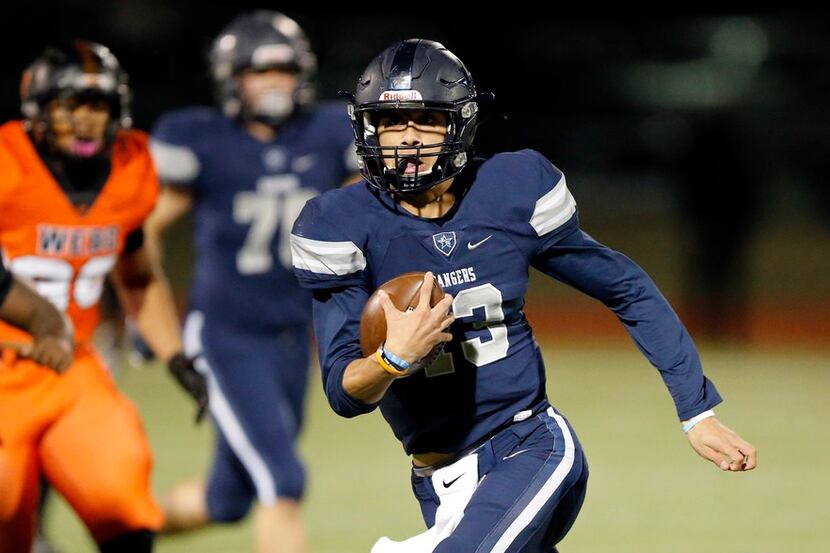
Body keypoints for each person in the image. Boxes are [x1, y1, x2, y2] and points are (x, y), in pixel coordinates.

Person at [290, 39, 757, 552]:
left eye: (426, 119)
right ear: (366, 127)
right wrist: (392, 359)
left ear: (459, 123)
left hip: (529, 446)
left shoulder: (510, 188)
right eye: (391, 121)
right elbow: (343, 391)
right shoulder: (338, 224)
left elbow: (626, 287)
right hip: (439, 482)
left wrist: (696, 411)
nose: (407, 139)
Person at [145, 11, 358, 552]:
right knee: (283, 480)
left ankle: (126, 531)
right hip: (226, 335)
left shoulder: (328, 131)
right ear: (231, 78)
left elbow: (369, 211)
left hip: (292, 337)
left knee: (228, 499)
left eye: (284, 70)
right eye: (259, 71)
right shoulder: (201, 138)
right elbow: (142, 231)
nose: (274, 83)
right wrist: (142, 311)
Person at [0, 40, 204, 553]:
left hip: (73, 368)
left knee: (122, 501)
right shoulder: (7, 162)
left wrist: (175, 356)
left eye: (100, 106)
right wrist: (42, 319)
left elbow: (135, 275)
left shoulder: (133, 166)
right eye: (72, 106)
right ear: (38, 112)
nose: (87, 121)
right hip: (4, 367)